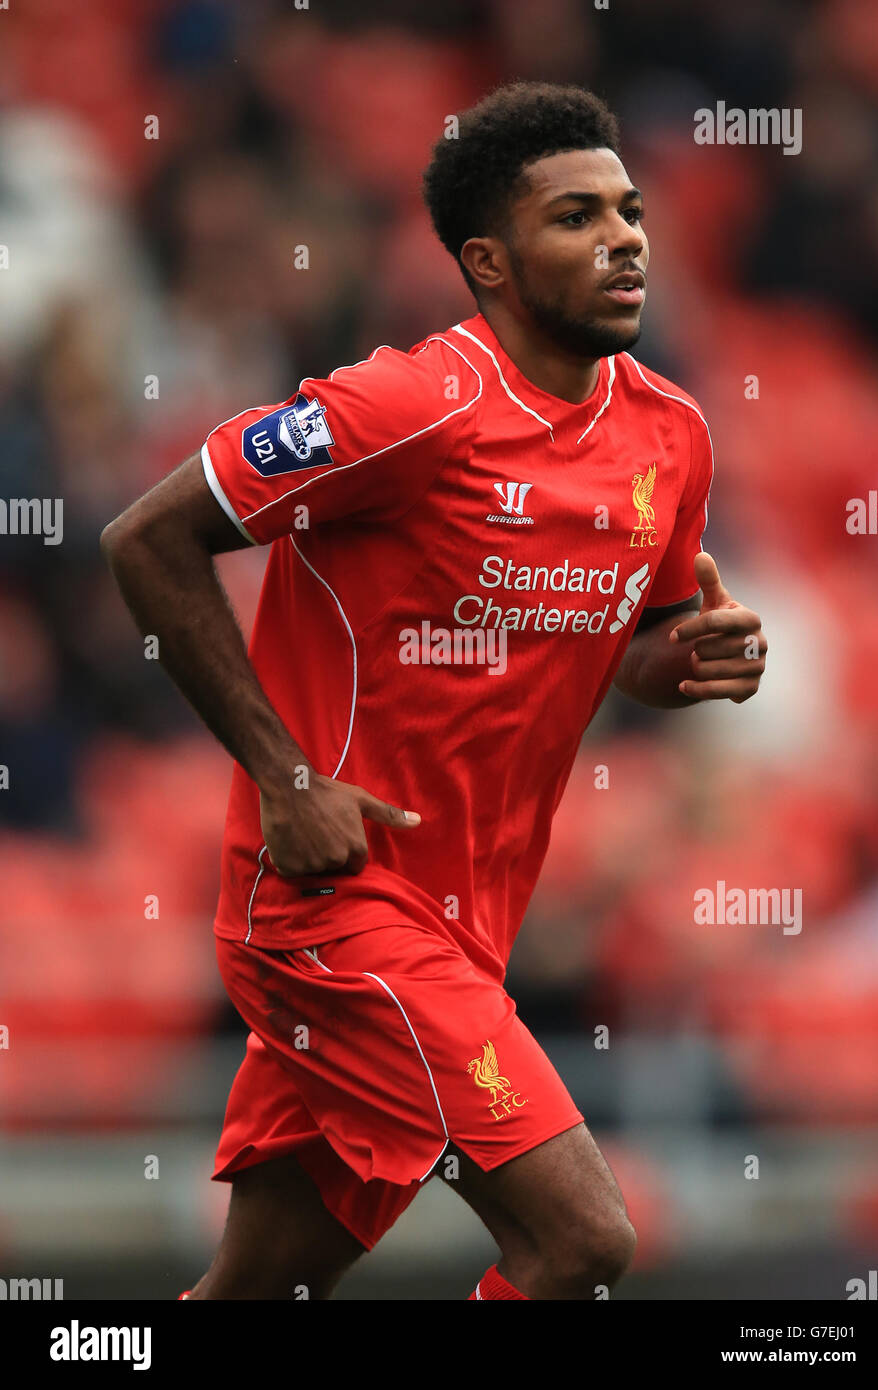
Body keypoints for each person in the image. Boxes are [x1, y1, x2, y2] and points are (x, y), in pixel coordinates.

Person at [101, 81, 767, 1301]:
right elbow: (146, 537)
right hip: (330, 912)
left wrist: (684, 666)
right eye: (576, 218)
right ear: (490, 262)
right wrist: (285, 776)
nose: (625, 237)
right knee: (583, 1242)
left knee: (252, 1293)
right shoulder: (406, 408)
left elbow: (632, 643)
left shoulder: (671, 435)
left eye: (629, 209)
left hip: (469, 926)